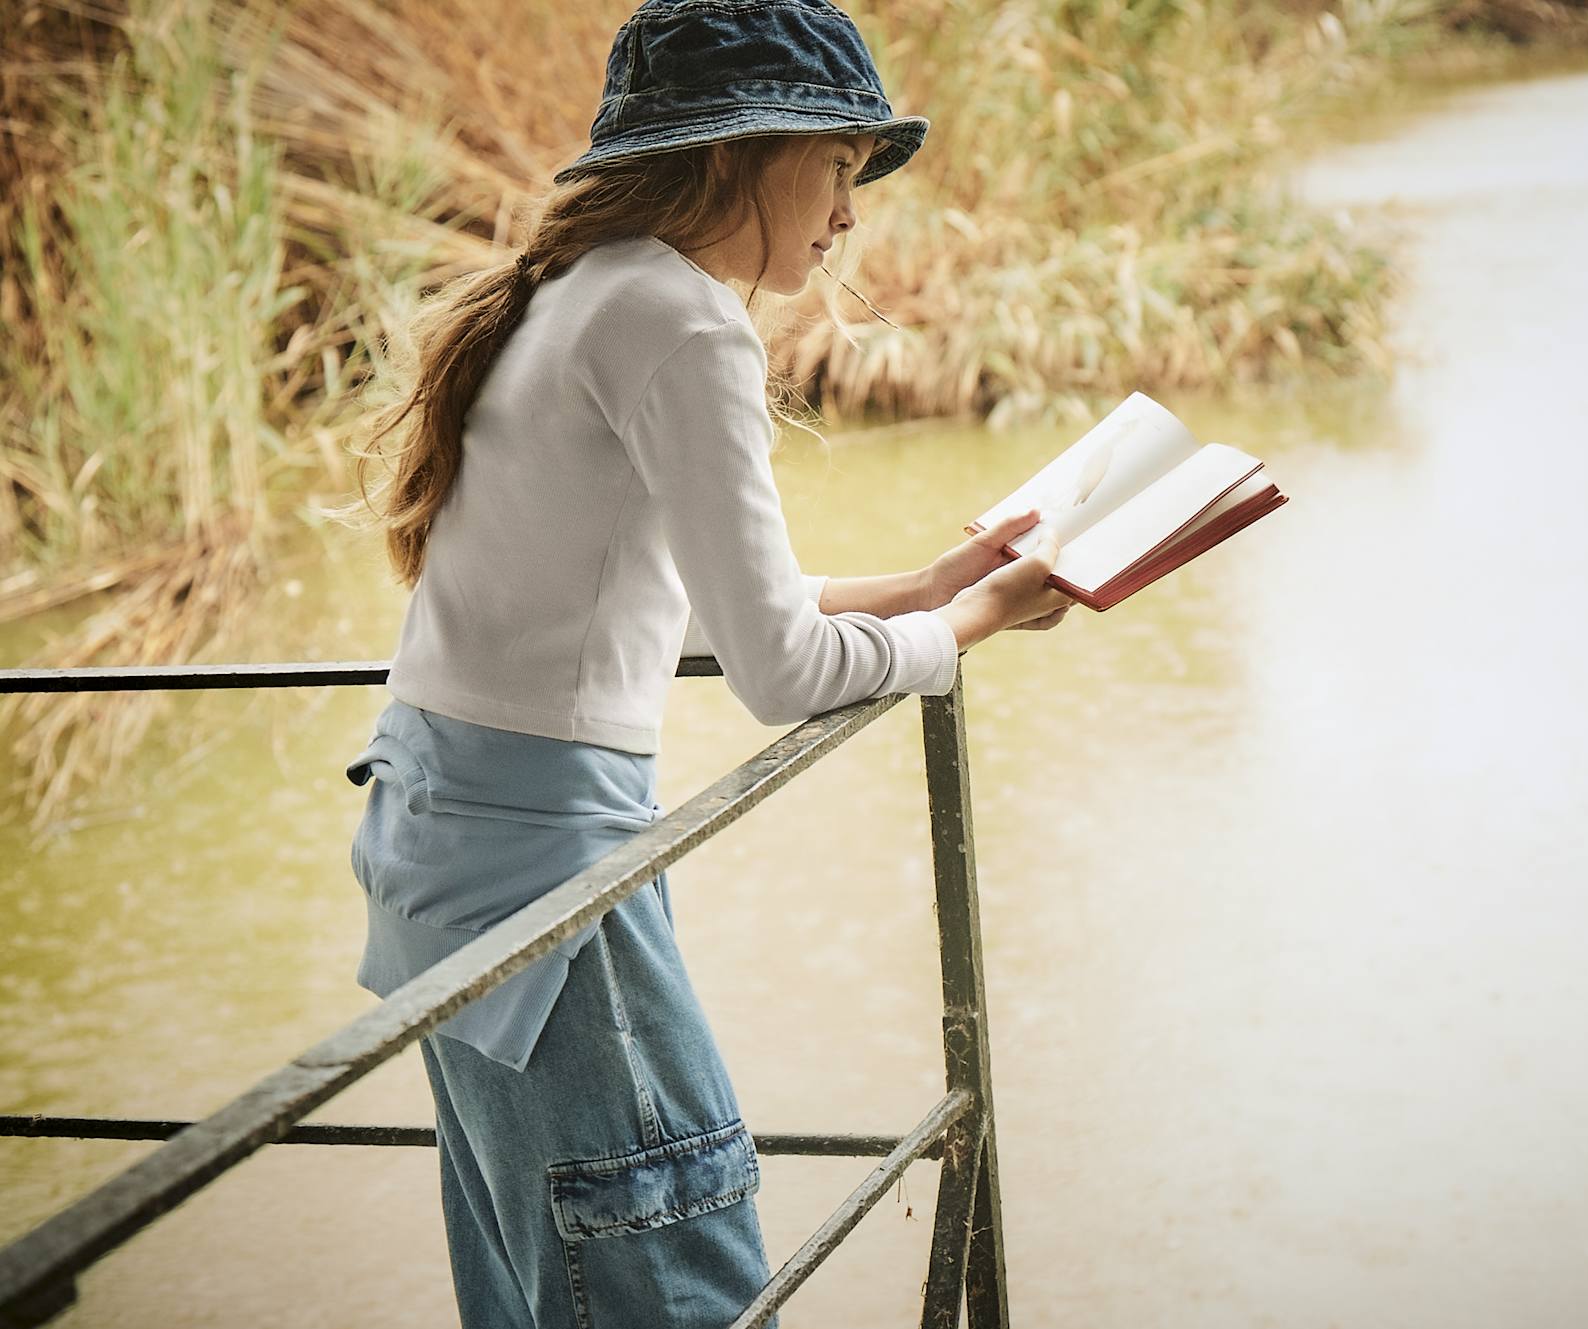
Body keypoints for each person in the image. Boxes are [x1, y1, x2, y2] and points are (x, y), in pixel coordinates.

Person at [343, 2, 1068, 1326]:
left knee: (552, 1279)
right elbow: (782, 671)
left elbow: (648, 607)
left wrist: (925, 585)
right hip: (544, 882)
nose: (848, 214)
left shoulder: (577, 292)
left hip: (441, 854)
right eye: (839, 167)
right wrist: (977, 626)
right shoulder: (683, 320)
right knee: (674, 1273)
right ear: (744, 153)